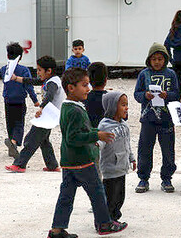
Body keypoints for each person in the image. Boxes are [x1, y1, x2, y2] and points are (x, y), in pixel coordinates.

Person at [47, 68, 127, 238]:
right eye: (84, 85)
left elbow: (78, 131)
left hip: (69, 161)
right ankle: (104, 224)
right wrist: (96, 135)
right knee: (98, 193)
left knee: (66, 196)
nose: (88, 88)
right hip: (82, 161)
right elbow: (73, 137)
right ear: (70, 88)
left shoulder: (68, 107)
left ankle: (57, 229)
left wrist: (95, 131)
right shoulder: (75, 111)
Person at [133, 42, 180, 193]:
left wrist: (168, 95)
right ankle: (143, 178)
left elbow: (177, 94)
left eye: (160, 58)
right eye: (154, 59)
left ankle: (167, 178)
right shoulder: (143, 74)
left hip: (166, 119)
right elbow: (136, 94)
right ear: (149, 60)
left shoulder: (171, 74)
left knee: (168, 151)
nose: (157, 62)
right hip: (148, 119)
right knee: (145, 149)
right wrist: (144, 96)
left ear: (165, 59)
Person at [5, 56, 65, 173]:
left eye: (39, 70)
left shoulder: (52, 83)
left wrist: (41, 107)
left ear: (49, 71)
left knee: (31, 139)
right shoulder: (52, 79)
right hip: (51, 116)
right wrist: (16, 78)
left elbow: (50, 95)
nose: (37, 73)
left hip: (48, 116)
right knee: (44, 140)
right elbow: (33, 81)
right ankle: (52, 165)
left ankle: (19, 164)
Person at [98, 92, 136, 221]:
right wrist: (96, 146)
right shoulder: (104, 126)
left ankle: (115, 216)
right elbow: (100, 142)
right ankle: (106, 219)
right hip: (110, 169)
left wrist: (131, 158)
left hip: (122, 167)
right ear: (113, 107)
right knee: (110, 197)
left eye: (127, 105)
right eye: (123, 105)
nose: (126, 108)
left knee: (120, 196)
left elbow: (127, 143)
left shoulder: (124, 125)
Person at [0, 42, 39, 159]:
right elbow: (29, 86)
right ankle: (14, 142)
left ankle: (12, 143)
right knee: (19, 123)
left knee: (10, 122)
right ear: (20, 57)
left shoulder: (3, 69)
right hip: (19, 100)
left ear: (7, 56)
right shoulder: (24, 70)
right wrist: (35, 100)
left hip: (7, 100)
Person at [84, 62, 109, 128]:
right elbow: (124, 117)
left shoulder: (84, 99)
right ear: (106, 79)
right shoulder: (111, 99)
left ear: (89, 80)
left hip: (90, 135)